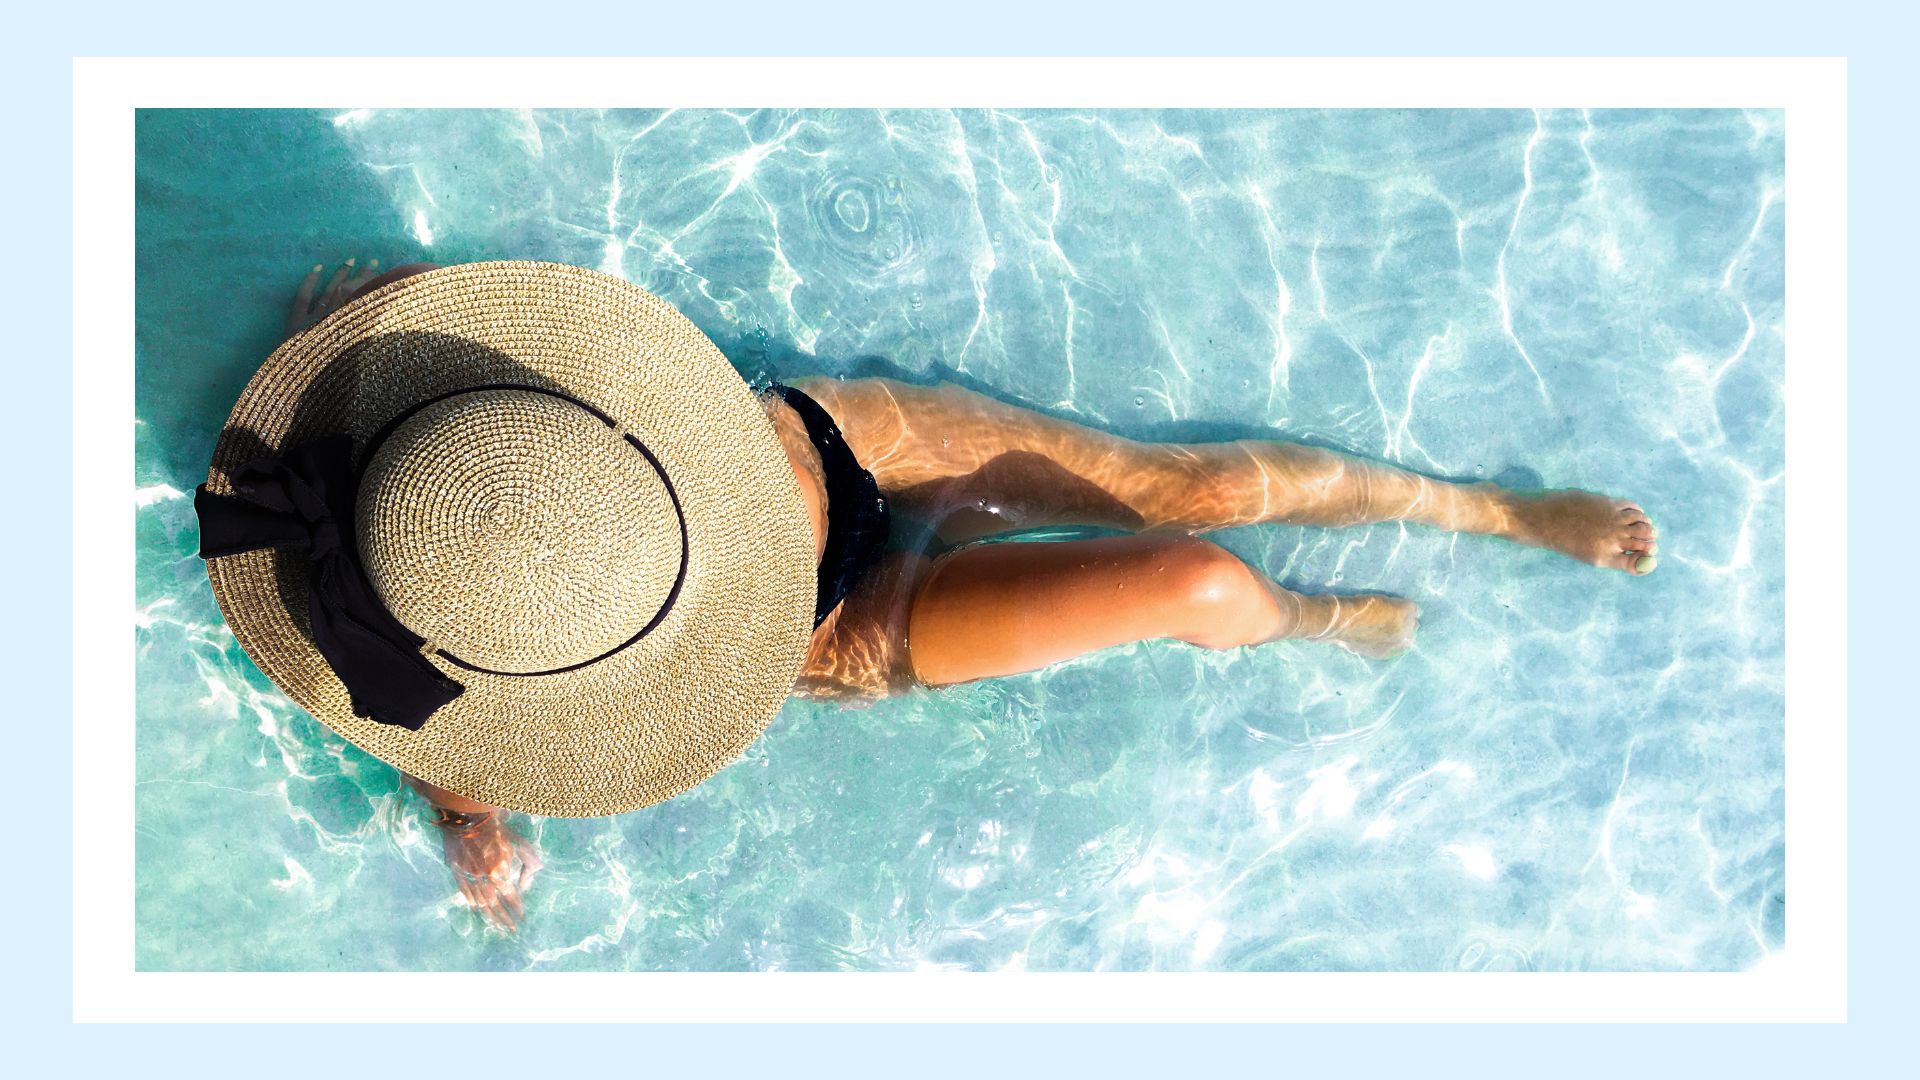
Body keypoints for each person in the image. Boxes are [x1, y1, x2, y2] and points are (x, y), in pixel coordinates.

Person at [213, 258, 1658, 933]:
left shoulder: (459, 461)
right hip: (835, 629)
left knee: (1193, 488)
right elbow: (441, 729)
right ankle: (1318, 622)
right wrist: (473, 830)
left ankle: (1485, 512)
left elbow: (422, 337)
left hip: (811, 452)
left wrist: (360, 331)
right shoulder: (428, 595)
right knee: (1203, 577)